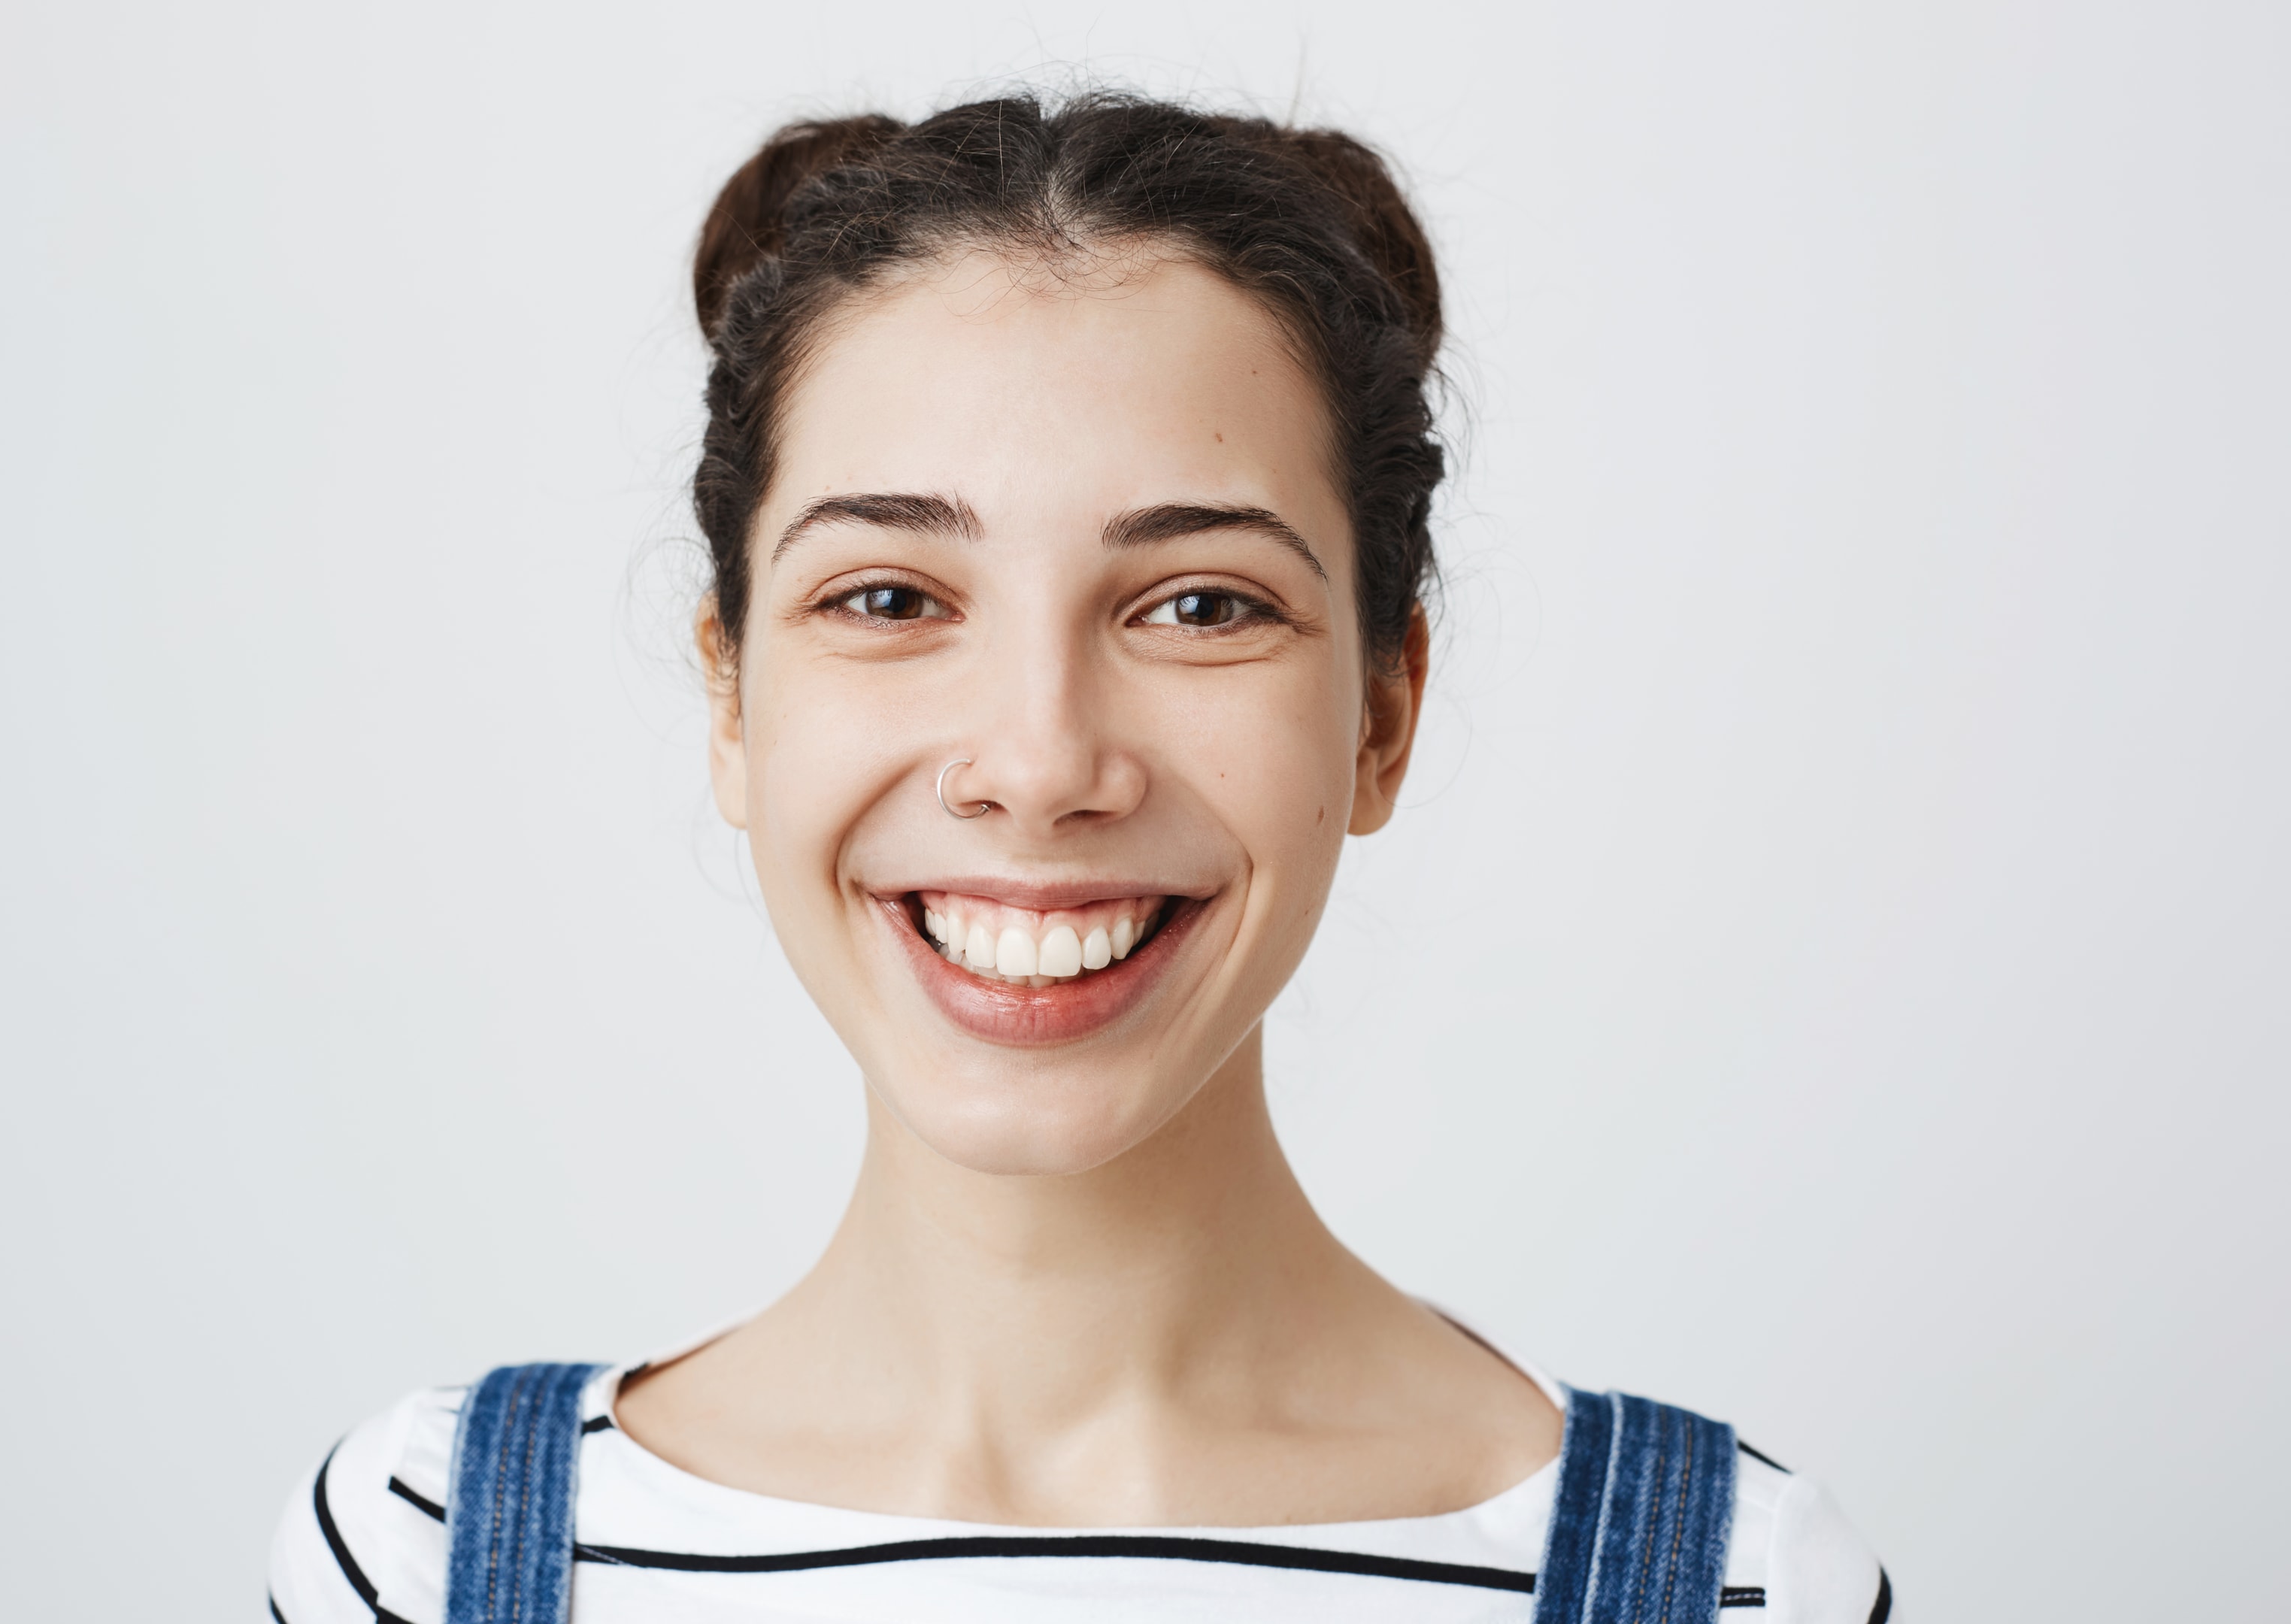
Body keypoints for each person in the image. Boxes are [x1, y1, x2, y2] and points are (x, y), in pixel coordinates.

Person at [268, 91, 1888, 1624]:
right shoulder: (420, 1553)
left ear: (1383, 713)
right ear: (733, 699)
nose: (1039, 767)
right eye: (891, 599)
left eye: (1200, 606)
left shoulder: (1746, 1586)